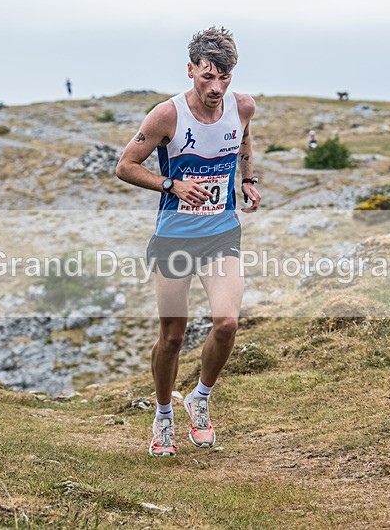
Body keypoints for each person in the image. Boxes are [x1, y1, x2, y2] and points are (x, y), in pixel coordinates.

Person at [115, 26, 260, 456]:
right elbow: (125, 166)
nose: (216, 88)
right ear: (191, 70)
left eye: (224, 78)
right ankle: (163, 416)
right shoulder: (167, 116)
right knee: (173, 337)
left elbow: (244, 137)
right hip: (175, 238)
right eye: (207, 77)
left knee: (227, 324)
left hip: (221, 233)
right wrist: (171, 185)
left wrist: (248, 179)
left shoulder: (243, 106)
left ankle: (199, 398)